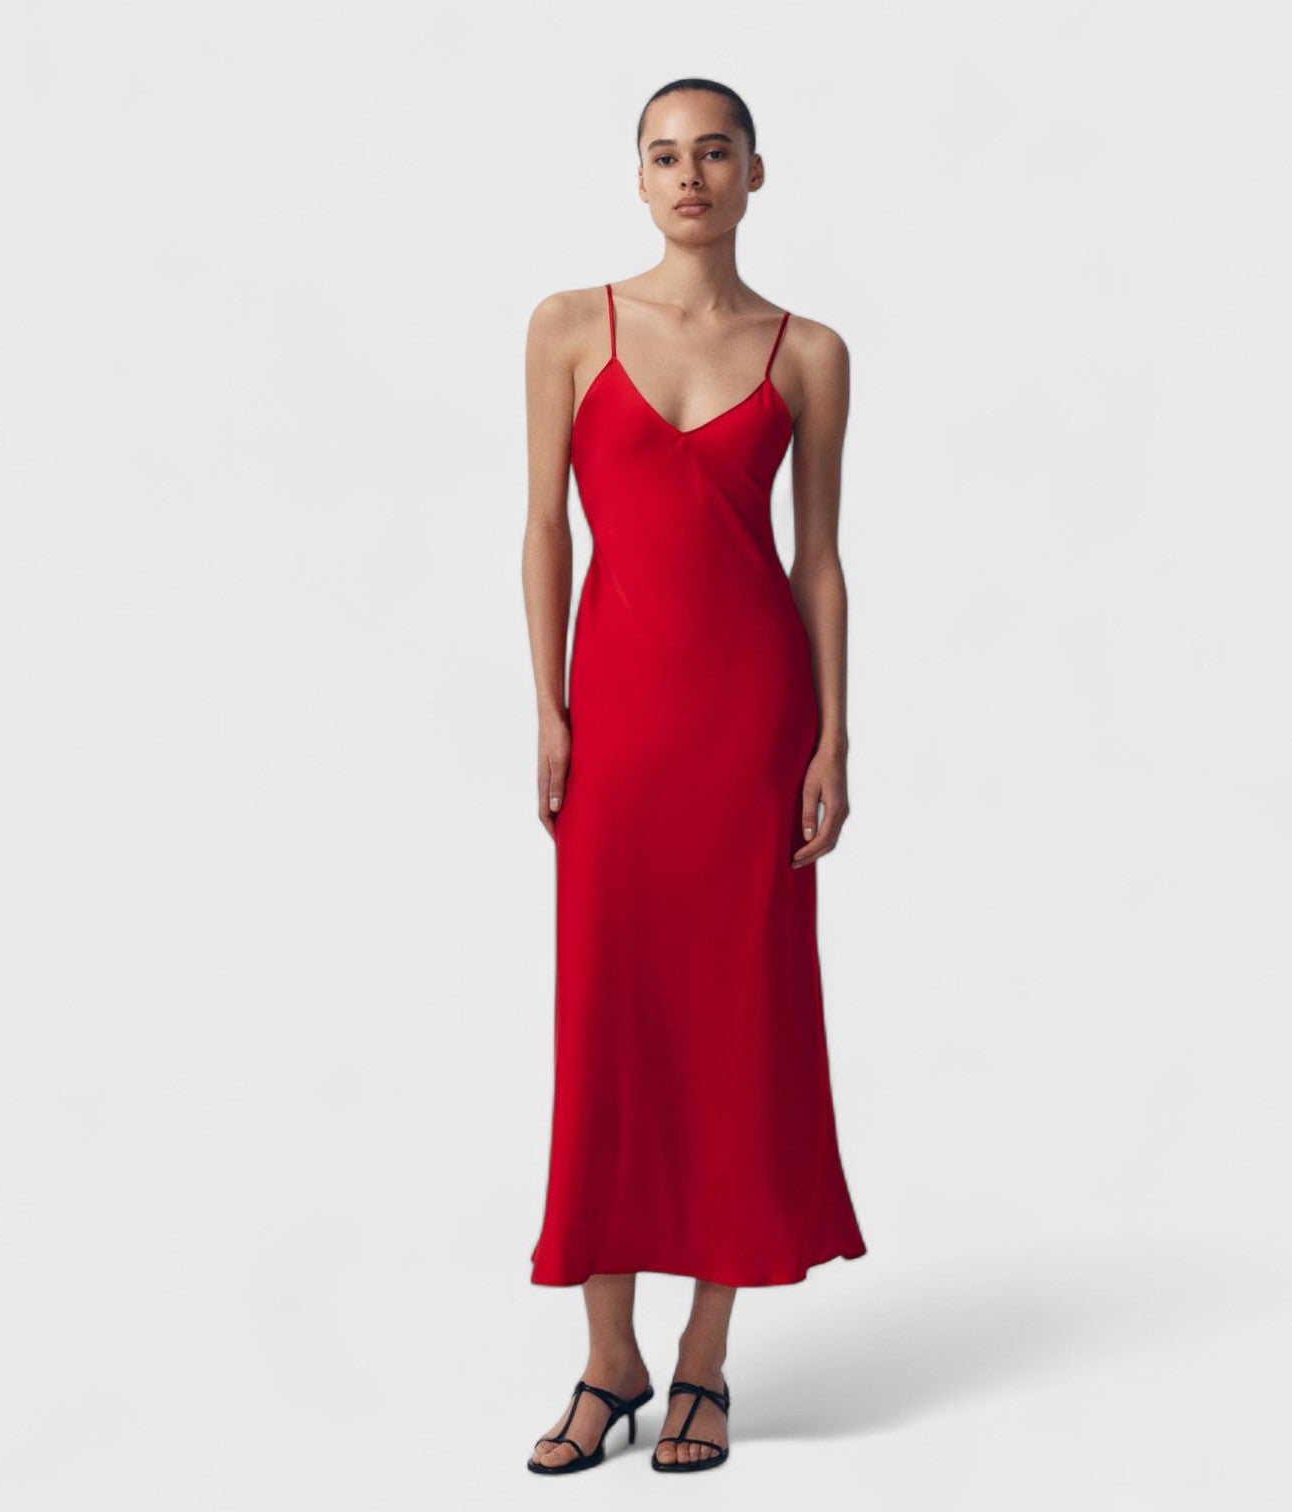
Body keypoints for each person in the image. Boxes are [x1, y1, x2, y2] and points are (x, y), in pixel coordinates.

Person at [519, 77, 867, 1476]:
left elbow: (817, 559)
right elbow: (543, 527)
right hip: (616, 724)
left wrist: (833, 736)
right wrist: (548, 707)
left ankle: (706, 1362)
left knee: (737, 1026)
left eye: (715, 152)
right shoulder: (568, 326)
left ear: (754, 174)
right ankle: (608, 1361)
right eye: (665, 154)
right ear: (639, 177)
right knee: (609, 1021)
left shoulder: (808, 351)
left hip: (751, 727)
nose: (689, 175)